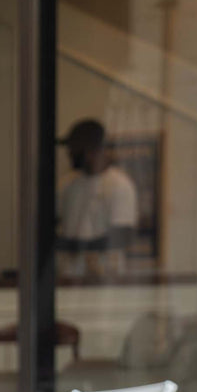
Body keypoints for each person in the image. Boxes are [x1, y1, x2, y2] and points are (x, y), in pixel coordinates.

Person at [56, 118, 139, 277]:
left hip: (105, 278)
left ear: (92, 150)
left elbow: (123, 236)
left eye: (75, 150)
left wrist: (78, 245)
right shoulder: (66, 185)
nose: (70, 154)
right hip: (69, 276)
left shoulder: (119, 184)